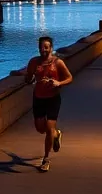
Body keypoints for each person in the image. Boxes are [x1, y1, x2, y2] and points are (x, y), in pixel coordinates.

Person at [23, 36, 73, 172]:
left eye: (46, 47)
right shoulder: (34, 62)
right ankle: (56, 134)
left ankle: (46, 159)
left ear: (51, 48)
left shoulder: (58, 63)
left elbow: (69, 77)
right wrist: (28, 78)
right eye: (41, 47)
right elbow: (28, 78)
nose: (43, 50)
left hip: (53, 98)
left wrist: (58, 83)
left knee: (49, 127)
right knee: (40, 129)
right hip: (38, 97)